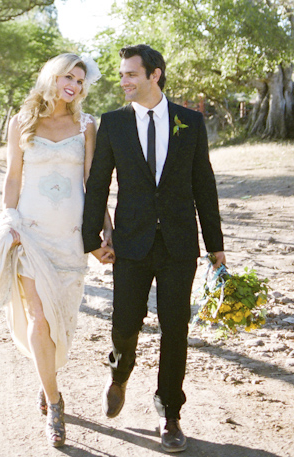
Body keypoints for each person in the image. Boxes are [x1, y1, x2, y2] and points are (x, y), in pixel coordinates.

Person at [82, 44, 225, 454]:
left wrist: (215, 246)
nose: (123, 81)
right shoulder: (113, 123)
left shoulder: (190, 122)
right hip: (131, 242)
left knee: (175, 329)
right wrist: (92, 240)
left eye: (130, 74)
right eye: (122, 74)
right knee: (126, 321)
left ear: (154, 75)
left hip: (180, 243)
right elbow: (98, 185)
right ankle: (120, 372)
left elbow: (204, 186)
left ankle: (169, 413)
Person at [0, 53, 114, 448]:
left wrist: (107, 230)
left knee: (61, 323)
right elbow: (13, 178)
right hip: (29, 234)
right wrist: (9, 221)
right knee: (38, 316)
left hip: (70, 237)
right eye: (68, 76)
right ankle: (54, 403)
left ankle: (46, 376)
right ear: (52, 76)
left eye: (81, 81)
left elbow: (92, 181)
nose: (74, 85)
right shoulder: (21, 123)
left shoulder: (87, 125)